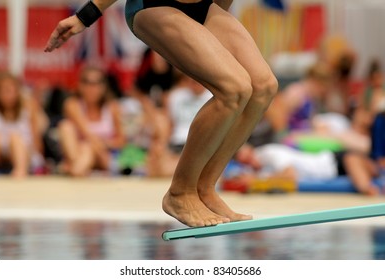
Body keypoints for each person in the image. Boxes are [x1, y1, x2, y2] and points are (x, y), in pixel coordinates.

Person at [45, 0, 278, 227]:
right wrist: (84, 16)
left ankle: (204, 188)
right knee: (233, 89)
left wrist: (210, 38)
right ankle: (179, 192)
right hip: (155, 5)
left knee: (262, 87)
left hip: (205, 6)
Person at [235, 143, 381, 196]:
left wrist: (257, 182)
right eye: (245, 162)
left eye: (249, 157)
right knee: (368, 176)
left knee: (366, 184)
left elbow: (291, 176)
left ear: (252, 150)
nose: (250, 162)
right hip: (334, 168)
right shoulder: (255, 169)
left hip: (334, 161)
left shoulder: (269, 153)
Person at [58, 65, 125, 176]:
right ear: (80, 85)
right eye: (87, 82)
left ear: (103, 86)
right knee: (66, 127)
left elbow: (121, 140)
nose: (92, 88)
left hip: (104, 155)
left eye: (97, 83)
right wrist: (96, 146)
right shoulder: (72, 104)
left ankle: (73, 168)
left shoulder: (112, 107)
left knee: (88, 147)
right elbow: (86, 132)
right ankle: (77, 167)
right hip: (81, 152)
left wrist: (104, 145)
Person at [0, 72, 43, 177]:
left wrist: (36, 156)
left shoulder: (28, 106)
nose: (8, 95)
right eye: (4, 91)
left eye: (11, 91)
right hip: (0, 155)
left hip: (24, 152)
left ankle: (20, 171)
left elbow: (36, 139)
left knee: (15, 138)